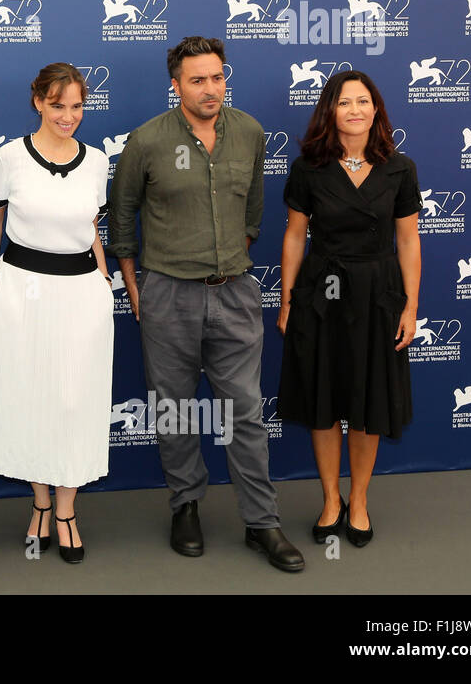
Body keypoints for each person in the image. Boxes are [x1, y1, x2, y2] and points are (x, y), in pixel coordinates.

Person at [109, 36, 305, 572]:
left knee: (245, 411)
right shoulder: (147, 140)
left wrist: (230, 263)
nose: (210, 89)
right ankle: (186, 505)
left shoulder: (249, 134)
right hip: (167, 292)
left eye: (217, 77)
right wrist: (135, 285)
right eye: (198, 80)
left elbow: (254, 214)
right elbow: (121, 218)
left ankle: (261, 522)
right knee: (172, 408)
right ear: (176, 86)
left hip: (236, 292)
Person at [277, 70, 421, 549]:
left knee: (367, 402)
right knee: (324, 401)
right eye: (344, 102)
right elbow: (296, 235)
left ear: (375, 109)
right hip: (323, 294)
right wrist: (288, 299)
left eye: (363, 101)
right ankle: (330, 500)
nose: (355, 109)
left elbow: (408, 240)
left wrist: (410, 305)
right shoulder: (309, 169)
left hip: (378, 295)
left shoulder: (400, 169)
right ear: (329, 112)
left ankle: (358, 500)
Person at [0, 62, 114, 564]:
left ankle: (65, 511)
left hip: (82, 294)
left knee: (73, 401)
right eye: (58, 105)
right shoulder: (10, 157)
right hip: (23, 291)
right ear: (38, 101)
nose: (68, 116)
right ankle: (38, 503)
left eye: (77, 106)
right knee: (28, 396)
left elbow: (91, 229)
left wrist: (103, 281)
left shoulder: (99, 161)